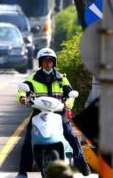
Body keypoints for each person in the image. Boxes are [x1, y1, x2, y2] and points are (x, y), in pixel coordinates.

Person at [15, 48, 90, 178]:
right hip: (39, 113)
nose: (47, 64)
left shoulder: (62, 78)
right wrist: (23, 98)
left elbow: (70, 94)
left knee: (71, 135)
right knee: (28, 138)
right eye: (45, 61)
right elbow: (22, 90)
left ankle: (82, 162)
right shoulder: (33, 78)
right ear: (40, 63)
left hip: (59, 113)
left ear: (53, 63)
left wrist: (68, 103)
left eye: (50, 61)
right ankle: (22, 171)